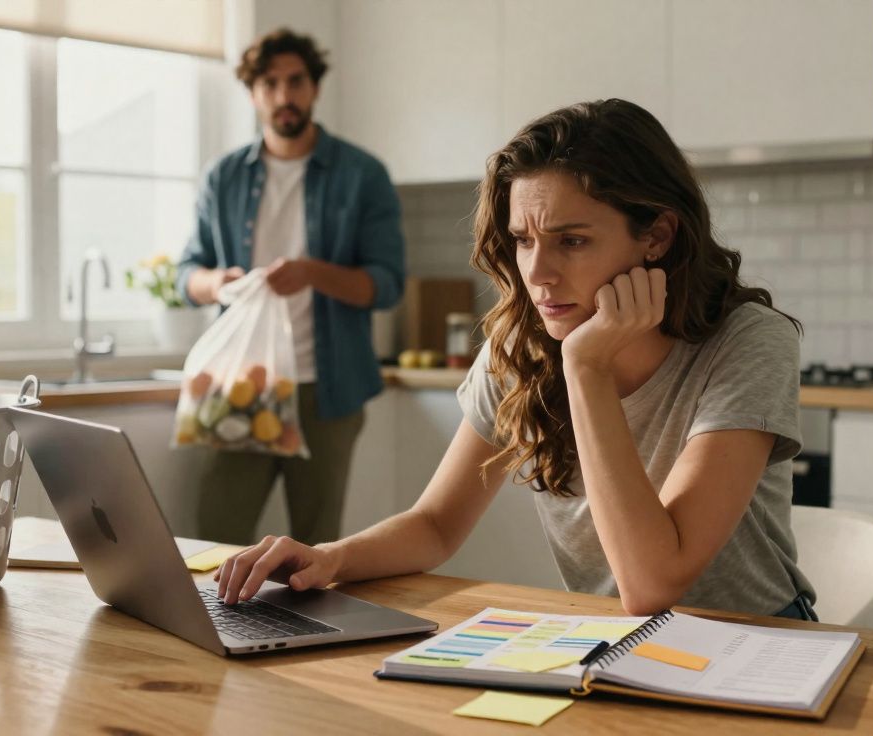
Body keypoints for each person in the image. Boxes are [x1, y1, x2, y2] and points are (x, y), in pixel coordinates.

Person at [215, 98, 818, 620]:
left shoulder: (748, 342)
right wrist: (330, 558)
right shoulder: (521, 349)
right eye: (524, 240)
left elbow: (653, 583)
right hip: (618, 644)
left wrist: (585, 368)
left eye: (572, 241)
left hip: (759, 642)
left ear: (656, 236)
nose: (538, 273)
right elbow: (435, 525)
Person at [177, 28, 405, 546]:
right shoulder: (224, 177)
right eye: (270, 83)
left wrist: (312, 273)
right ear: (253, 93)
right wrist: (218, 282)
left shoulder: (363, 175)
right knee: (214, 536)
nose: (284, 96)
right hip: (242, 381)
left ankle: (307, 631)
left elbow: (388, 285)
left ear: (314, 88)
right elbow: (186, 272)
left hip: (329, 388)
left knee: (316, 549)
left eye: (295, 81)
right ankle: (217, 629)